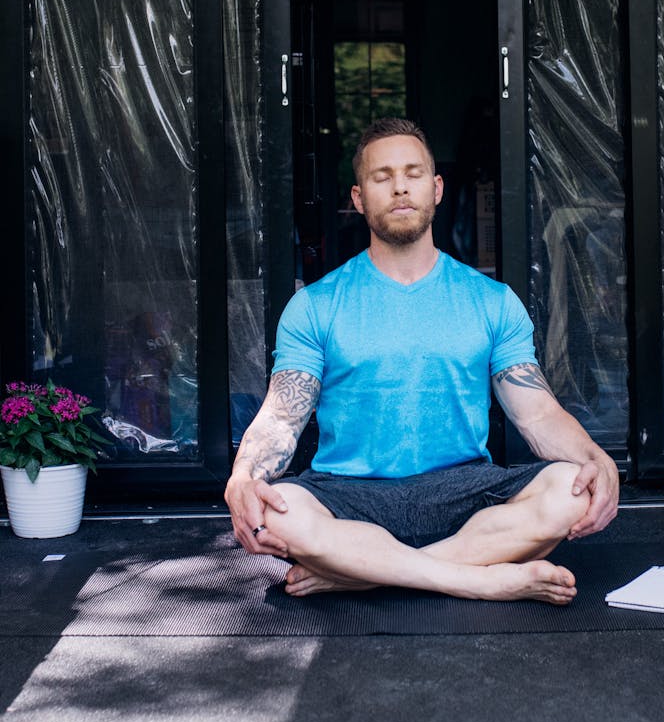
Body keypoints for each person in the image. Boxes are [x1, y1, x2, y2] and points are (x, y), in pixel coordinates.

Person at [225, 118, 618, 602]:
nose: (399, 187)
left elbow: (536, 414)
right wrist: (244, 475)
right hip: (347, 492)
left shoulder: (491, 301)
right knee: (275, 509)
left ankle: (360, 573)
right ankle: (480, 579)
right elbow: (283, 415)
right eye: (381, 176)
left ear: (436, 189)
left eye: (412, 173)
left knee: (571, 489)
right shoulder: (316, 305)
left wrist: (597, 460)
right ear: (357, 197)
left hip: (463, 489)